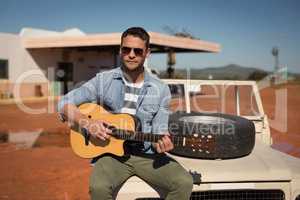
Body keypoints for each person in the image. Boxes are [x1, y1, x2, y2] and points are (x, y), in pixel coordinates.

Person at [57, 27, 193, 200]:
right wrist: (87, 123)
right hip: (109, 154)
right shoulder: (103, 80)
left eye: (137, 51)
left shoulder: (161, 89)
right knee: (98, 187)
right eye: (126, 49)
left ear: (147, 53)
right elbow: (63, 103)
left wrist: (162, 142)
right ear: (120, 50)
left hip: (146, 154)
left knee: (183, 182)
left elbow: (159, 131)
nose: (131, 54)